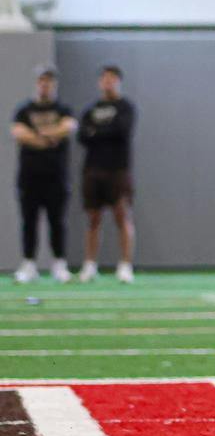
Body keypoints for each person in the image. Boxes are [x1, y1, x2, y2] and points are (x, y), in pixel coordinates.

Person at [11, 66, 76, 284]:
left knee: (57, 221)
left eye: (48, 81)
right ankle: (29, 264)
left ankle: (59, 265)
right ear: (36, 83)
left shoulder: (64, 108)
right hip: (29, 176)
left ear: (54, 84)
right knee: (29, 221)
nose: (44, 85)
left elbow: (68, 127)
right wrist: (49, 137)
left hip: (56, 176)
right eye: (41, 81)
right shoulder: (24, 109)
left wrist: (36, 135)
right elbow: (18, 133)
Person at [77, 64, 137, 284]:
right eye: (104, 78)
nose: (108, 82)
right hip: (93, 169)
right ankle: (90, 265)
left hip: (118, 169)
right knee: (93, 218)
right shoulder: (90, 109)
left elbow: (121, 131)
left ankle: (125, 265)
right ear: (99, 82)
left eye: (112, 78)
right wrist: (102, 132)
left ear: (118, 81)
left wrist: (97, 132)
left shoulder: (125, 107)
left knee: (122, 215)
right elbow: (83, 136)